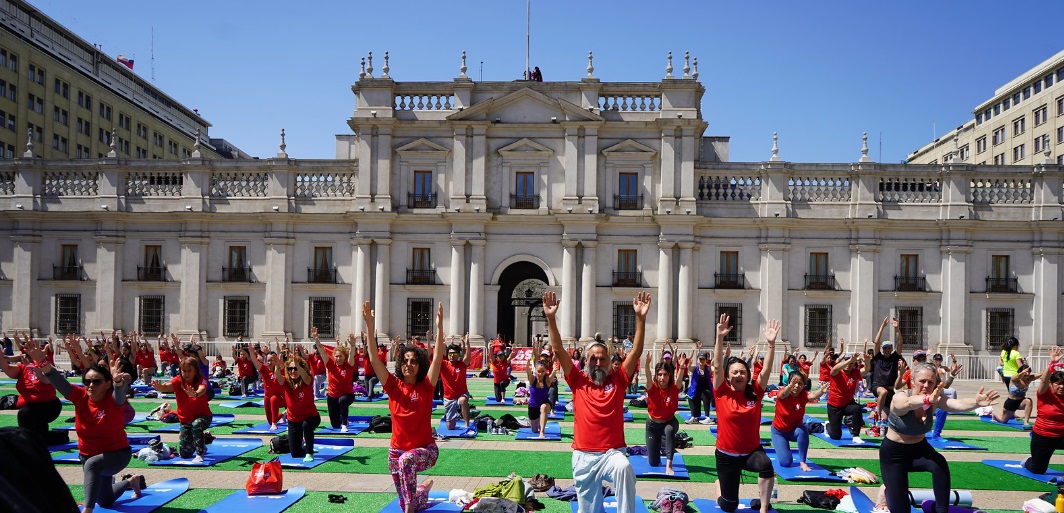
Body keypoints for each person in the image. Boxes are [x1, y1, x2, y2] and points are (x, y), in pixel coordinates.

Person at [544, 290, 649, 513]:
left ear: (610, 362)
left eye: (603, 358)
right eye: (594, 358)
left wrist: (640, 319)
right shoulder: (578, 380)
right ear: (586, 361)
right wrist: (551, 319)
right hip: (583, 455)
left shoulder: (619, 380)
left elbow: (637, 350)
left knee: (624, 469)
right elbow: (558, 349)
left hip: (613, 452)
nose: (598, 362)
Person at [28, 338, 144, 513]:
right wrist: (43, 362)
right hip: (88, 456)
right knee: (105, 501)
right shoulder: (79, 396)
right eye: (87, 381)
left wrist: (119, 382)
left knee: (92, 464)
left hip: (117, 455)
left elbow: (119, 395)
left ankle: (87, 511)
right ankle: (131, 481)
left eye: (96, 381)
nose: (90, 385)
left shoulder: (113, 398)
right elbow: (57, 380)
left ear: (107, 384)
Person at [880, 362, 998, 513]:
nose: (926, 385)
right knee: (901, 509)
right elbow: (908, 404)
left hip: (919, 449)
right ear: (912, 382)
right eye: (922, 381)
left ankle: (942, 510)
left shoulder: (936, 400)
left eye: (931, 382)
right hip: (893, 454)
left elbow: (957, 403)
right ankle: (887, 492)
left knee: (939, 464)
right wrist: (927, 400)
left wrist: (976, 402)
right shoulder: (900, 397)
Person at [365, 300, 445, 513]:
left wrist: (439, 329)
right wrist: (370, 326)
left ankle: (411, 505)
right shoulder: (393, 386)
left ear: (419, 365)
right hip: (396, 452)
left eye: (413, 361)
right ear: (400, 365)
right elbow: (374, 359)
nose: (408, 364)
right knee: (406, 502)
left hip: (425, 451)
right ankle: (423, 490)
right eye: (405, 361)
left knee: (407, 463)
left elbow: (437, 359)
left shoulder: (426, 386)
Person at [711, 314, 779, 513]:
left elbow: (766, 369)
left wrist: (771, 344)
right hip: (726, 455)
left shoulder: (755, 392)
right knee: (729, 506)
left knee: (766, 465)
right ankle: (719, 486)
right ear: (728, 376)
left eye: (742, 372)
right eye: (734, 372)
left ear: (747, 375)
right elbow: (716, 367)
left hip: (751, 452)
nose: (739, 375)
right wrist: (720, 337)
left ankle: (764, 508)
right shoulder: (721, 392)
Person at [151, 356, 212, 462]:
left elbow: (202, 389)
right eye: (184, 371)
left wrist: (196, 393)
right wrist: (160, 388)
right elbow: (167, 386)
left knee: (196, 425)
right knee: (185, 454)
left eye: (189, 371)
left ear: (196, 371)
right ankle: (202, 439)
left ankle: (200, 453)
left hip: (203, 417)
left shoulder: (202, 380)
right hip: (185, 420)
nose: (186, 374)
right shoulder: (178, 380)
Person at [0, 341, 61, 444]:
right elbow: (8, 369)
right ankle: (52, 438)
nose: (28, 358)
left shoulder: (45, 367)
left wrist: (31, 366)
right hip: (31, 408)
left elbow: (43, 379)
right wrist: (1, 357)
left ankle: (27, 442)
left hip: (49, 406)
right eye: (27, 355)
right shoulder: (22, 368)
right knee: (36, 430)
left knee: (25, 414)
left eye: (30, 355)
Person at [770, 370, 826, 472]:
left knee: (802, 430)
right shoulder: (783, 393)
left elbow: (812, 396)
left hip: (793, 431)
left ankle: (802, 462)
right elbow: (783, 394)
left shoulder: (803, 395)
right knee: (786, 462)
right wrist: (789, 386)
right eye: (794, 383)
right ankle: (783, 448)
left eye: (800, 384)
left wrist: (821, 391)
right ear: (789, 383)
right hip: (779, 432)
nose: (796, 386)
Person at [272, 352, 320, 462]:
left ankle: (309, 452)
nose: (293, 371)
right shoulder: (287, 382)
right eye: (290, 369)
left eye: (295, 368)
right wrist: (278, 367)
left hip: (311, 417)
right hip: (294, 420)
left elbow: (306, 377)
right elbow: (279, 378)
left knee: (306, 426)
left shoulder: (308, 379)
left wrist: (298, 365)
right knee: (295, 454)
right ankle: (305, 448)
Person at [1023, 347, 1064, 475]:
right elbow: (1044, 380)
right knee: (1038, 470)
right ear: (1052, 385)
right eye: (1058, 383)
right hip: (1043, 435)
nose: (1061, 386)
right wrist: (1052, 364)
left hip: (1062, 435)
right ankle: (1028, 461)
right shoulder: (1045, 394)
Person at [643, 353, 680, 475]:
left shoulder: (673, 389)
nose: (662, 378)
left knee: (669, 430)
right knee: (653, 462)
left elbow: (679, 380)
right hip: (652, 426)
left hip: (669, 422)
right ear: (656, 376)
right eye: (659, 375)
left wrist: (683, 367)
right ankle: (659, 444)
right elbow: (648, 377)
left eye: (665, 375)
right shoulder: (652, 388)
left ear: (669, 376)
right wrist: (647, 365)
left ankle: (669, 464)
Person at [315, 330, 357, 432]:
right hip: (332, 396)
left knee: (342, 401)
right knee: (334, 425)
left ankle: (344, 424)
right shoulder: (330, 365)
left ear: (344, 357)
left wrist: (352, 345)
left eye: (340, 356)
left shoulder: (348, 366)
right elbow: (323, 352)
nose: (338, 358)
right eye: (336, 356)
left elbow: (351, 355)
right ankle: (340, 421)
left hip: (347, 395)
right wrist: (316, 340)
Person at [827, 345, 869, 442]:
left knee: (857, 408)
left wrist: (867, 361)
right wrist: (850, 360)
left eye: (851, 363)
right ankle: (827, 426)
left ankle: (855, 435)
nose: (849, 365)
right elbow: (834, 369)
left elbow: (866, 370)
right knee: (836, 436)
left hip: (847, 404)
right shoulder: (837, 372)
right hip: (835, 406)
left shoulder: (855, 372)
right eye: (847, 362)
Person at [870, 316, 903, 428]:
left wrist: (897, 328)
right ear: (883, 349)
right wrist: (882, 327)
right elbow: (876, 342)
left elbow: (900, 342)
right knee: (882, 392)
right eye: (885, 348)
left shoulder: (894, 357)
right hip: (877, 387)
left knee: (891, 415)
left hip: (890, 390)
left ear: (891, 348)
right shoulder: (878, 357)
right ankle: (878, 415)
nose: (887, 350)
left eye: (889, 348)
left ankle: (878, 414)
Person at [441, 334, 473, 432]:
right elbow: (438, 353)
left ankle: (467, 424)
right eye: (450, 354)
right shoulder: (443, 364)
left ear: (458, 355)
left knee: (463, 401)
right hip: (449, 397)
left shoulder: (462, 365)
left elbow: (468, 356)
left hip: (461, 394)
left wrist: (467, 343)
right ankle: (453, 416)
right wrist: (441, 342)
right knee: (450, 427)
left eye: (454, 354)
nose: (452, 356)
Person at [250, 344, 286, 431]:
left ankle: (274, 424)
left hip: (281, 398)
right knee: (269, 421)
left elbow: (281, 364)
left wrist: (278, 354)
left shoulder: (279, 369)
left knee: (273, 399)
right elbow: (256, 363)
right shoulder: (264, 369)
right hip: (267, 397)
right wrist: (251, 352)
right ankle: (283, 414)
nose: (269, 363)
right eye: (268, 361)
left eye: (271, 360)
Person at [525, 338, 554, 439]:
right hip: (533, 406)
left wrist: (554, 371)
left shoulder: (547, 380)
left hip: (545, 403)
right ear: (536, 371)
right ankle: (537, 426)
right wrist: (527, 366)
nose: (540, 373)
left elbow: (553, 373)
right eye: (539, 371)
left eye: (542, 371)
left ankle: (542, 432)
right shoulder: (532, 379)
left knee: (544, 407)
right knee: (534, 430)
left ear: (545, 371)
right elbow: (528, 372)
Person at [991, 363, 1033, 428]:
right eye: (1025, 372)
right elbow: (1017, 377)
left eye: (1028, 372)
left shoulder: (1028, 379)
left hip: (1020, 402)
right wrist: (1024, 371)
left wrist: (1050, 367)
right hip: (1011, 403)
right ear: (1020, 372)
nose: (1027, 374)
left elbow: (1041, 375)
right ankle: (994, 414)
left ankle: (1026, 422)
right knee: (1003, 421)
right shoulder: (1014, 378)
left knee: (1028, 401)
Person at [686, 343, 714, 425]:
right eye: (700, 359)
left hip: (706, 390)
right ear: (697, 360)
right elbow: (689, 367)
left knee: (706, 394)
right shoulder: (695, 368)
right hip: (696, 390)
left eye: (703, 359)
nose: (701, 361)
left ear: (706, 361)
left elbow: (715, 368)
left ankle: (707, 417)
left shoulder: (708, 368)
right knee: (691, 396)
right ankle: (693, 417)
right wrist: (692, 353)